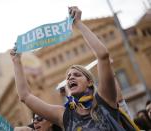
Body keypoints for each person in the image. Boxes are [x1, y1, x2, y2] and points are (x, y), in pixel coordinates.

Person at [10, 6, 139, 131]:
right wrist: (16, 62)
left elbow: (103, 56)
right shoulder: (64, 115)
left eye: (77, 75)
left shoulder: (104, 100)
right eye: (68, 77)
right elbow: (25, 96)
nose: (71, 77)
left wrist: (78, 24)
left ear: (89, 82)